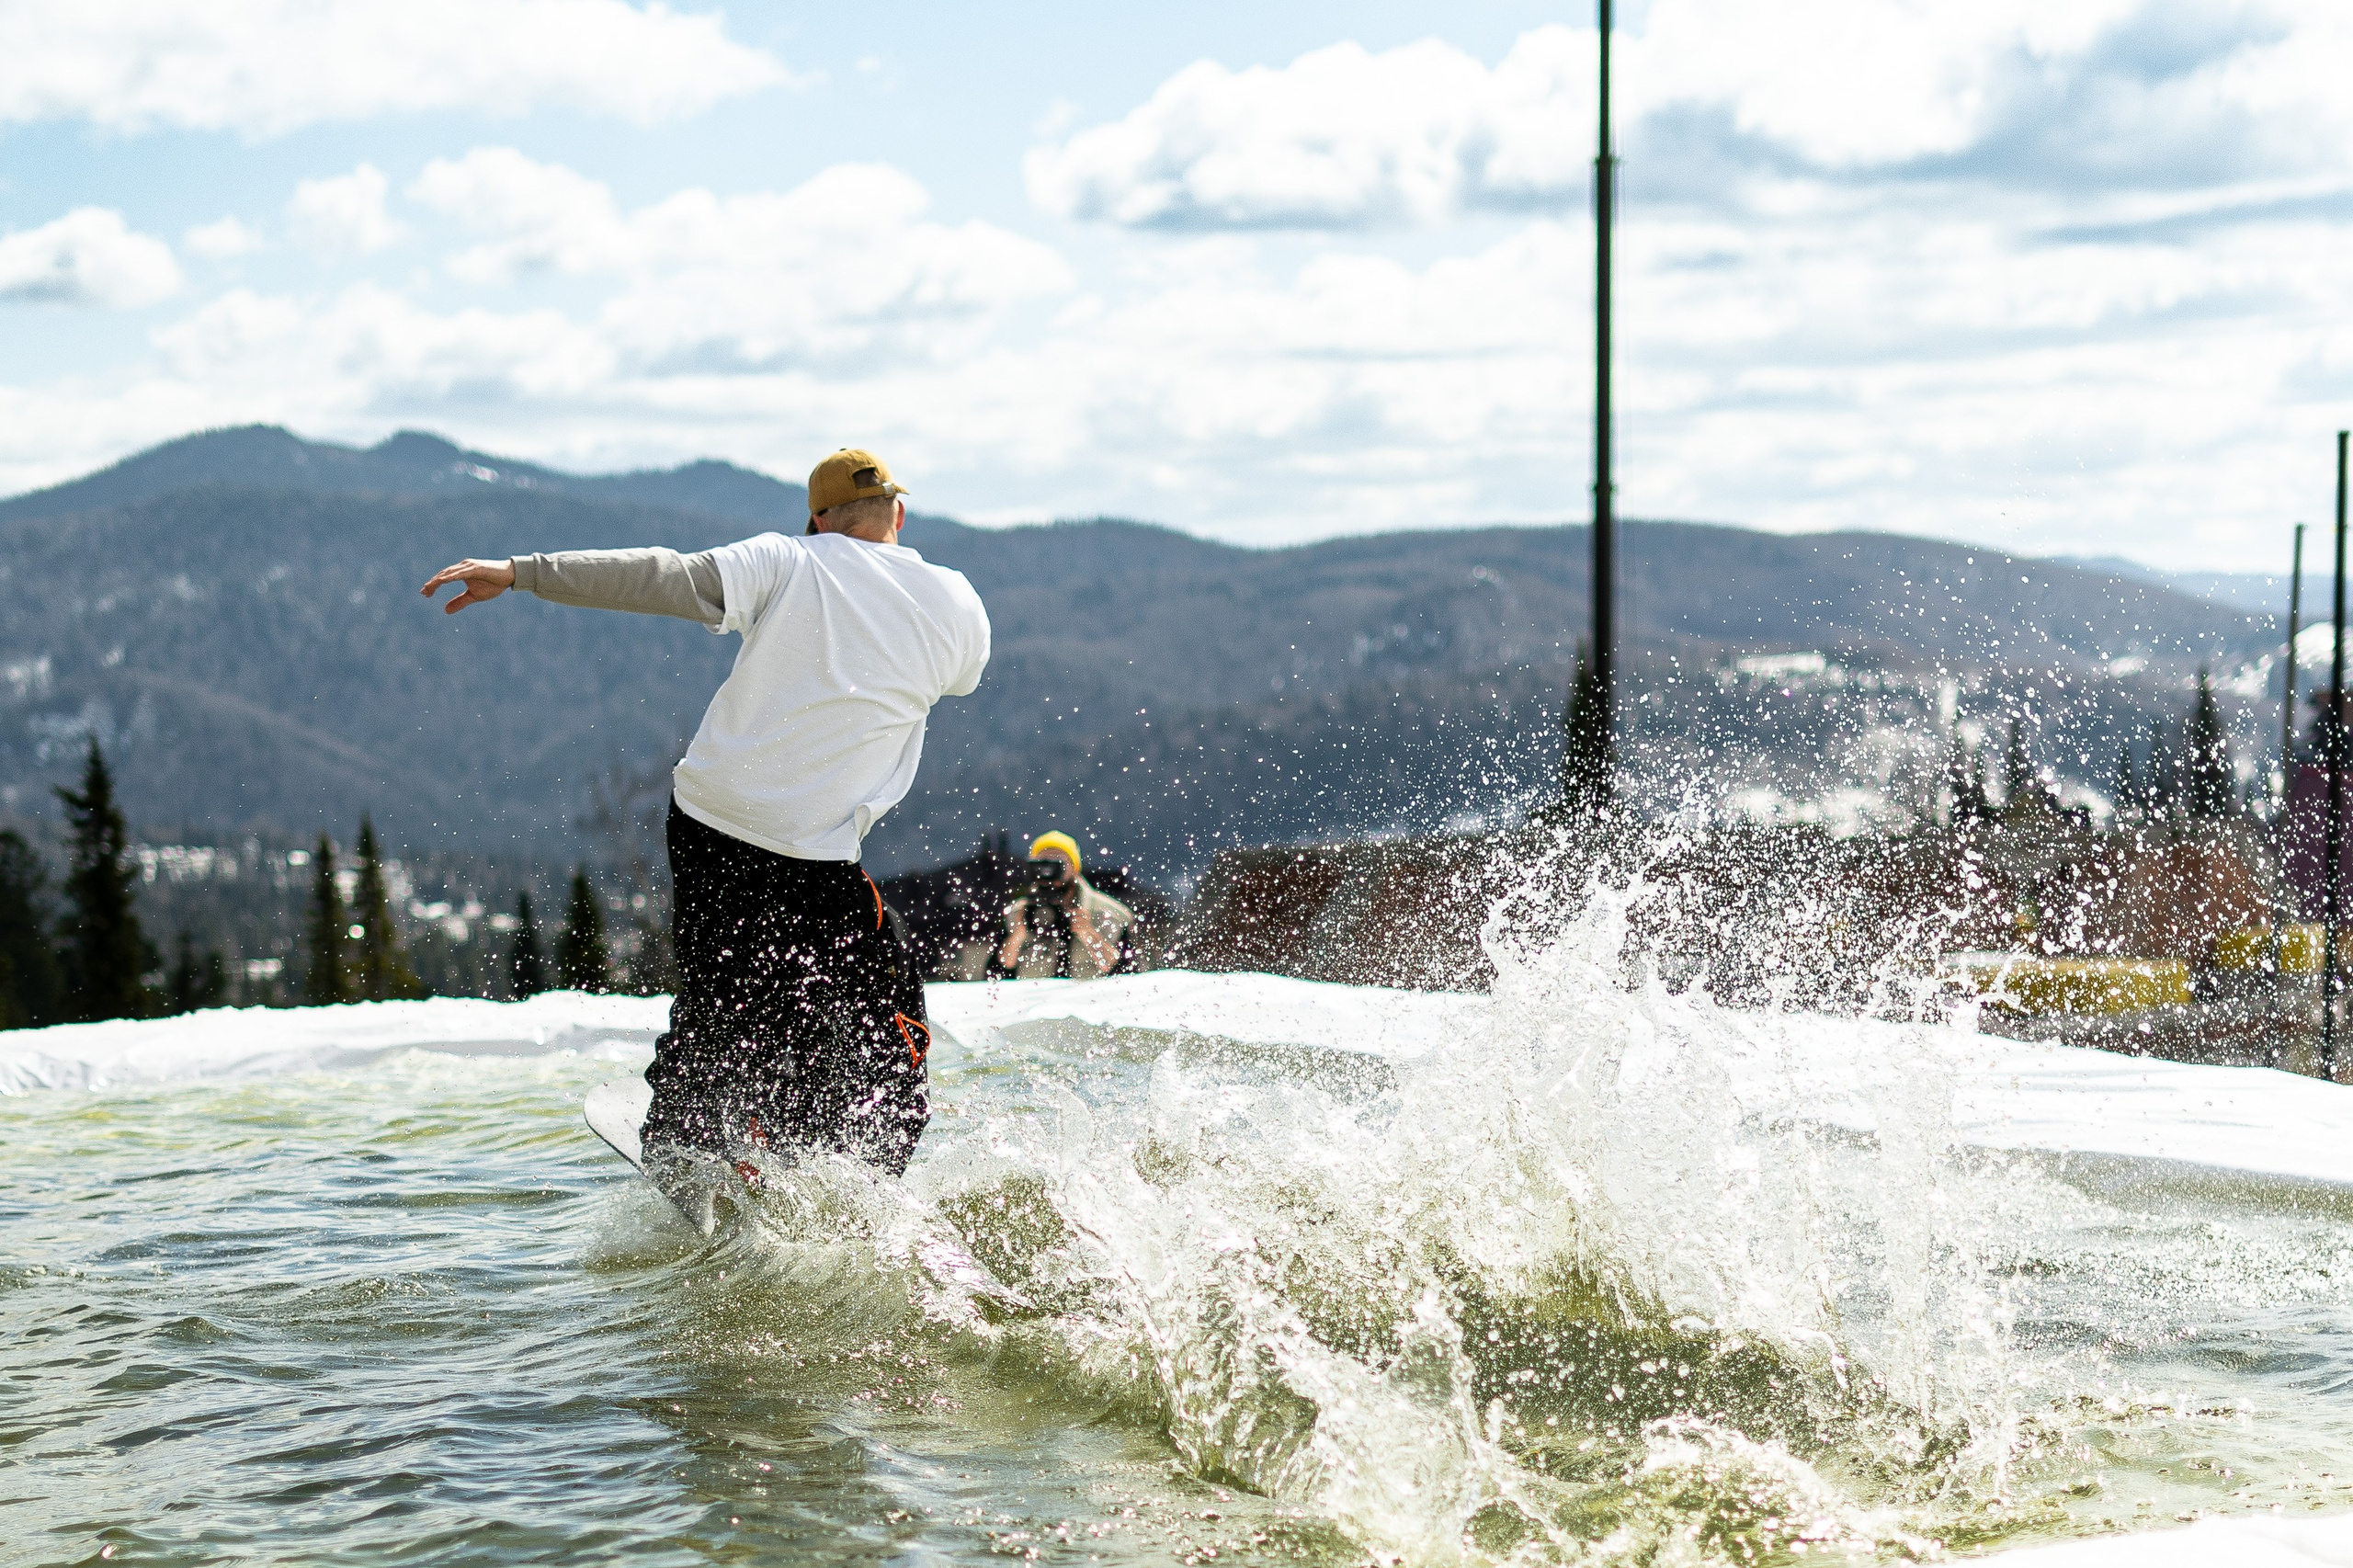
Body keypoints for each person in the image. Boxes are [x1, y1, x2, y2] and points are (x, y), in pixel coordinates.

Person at [421, 449, 989, 1179]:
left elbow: (661, 576)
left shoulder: (786, 562)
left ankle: (702, 1125)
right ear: (899, 516)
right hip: (820, 853)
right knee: (879, 1008)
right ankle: (849, 1160)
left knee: (728, 995)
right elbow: (962, 678)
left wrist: (523, 571)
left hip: (716, 823)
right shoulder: (956, 604)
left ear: (818, 521)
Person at [995, 832, 1133, 980]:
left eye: (1058, 863)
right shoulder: (1016, 913)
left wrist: (1088, 933)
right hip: (1035, 1000)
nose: (1048, 871)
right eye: (1042, 863)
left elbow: (1126, 975)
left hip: (1088, 1000)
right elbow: (998, 972)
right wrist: (1017, 935)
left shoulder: (1111, 914)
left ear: (1075, 867)